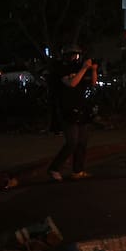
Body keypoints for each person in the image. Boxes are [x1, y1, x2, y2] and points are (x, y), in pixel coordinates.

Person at [47, 46, 98, 181]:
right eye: (72, 56)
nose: (74, 58)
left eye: (77, 56)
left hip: (81, 108)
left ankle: (78, 170)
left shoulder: (80, 68)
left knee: (82, 142)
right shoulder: (61, 69)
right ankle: (54, 168)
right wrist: (83, 69)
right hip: (68, 110)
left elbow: (93, 83)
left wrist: (93, 70)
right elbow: (72, 83)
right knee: (72, 142)